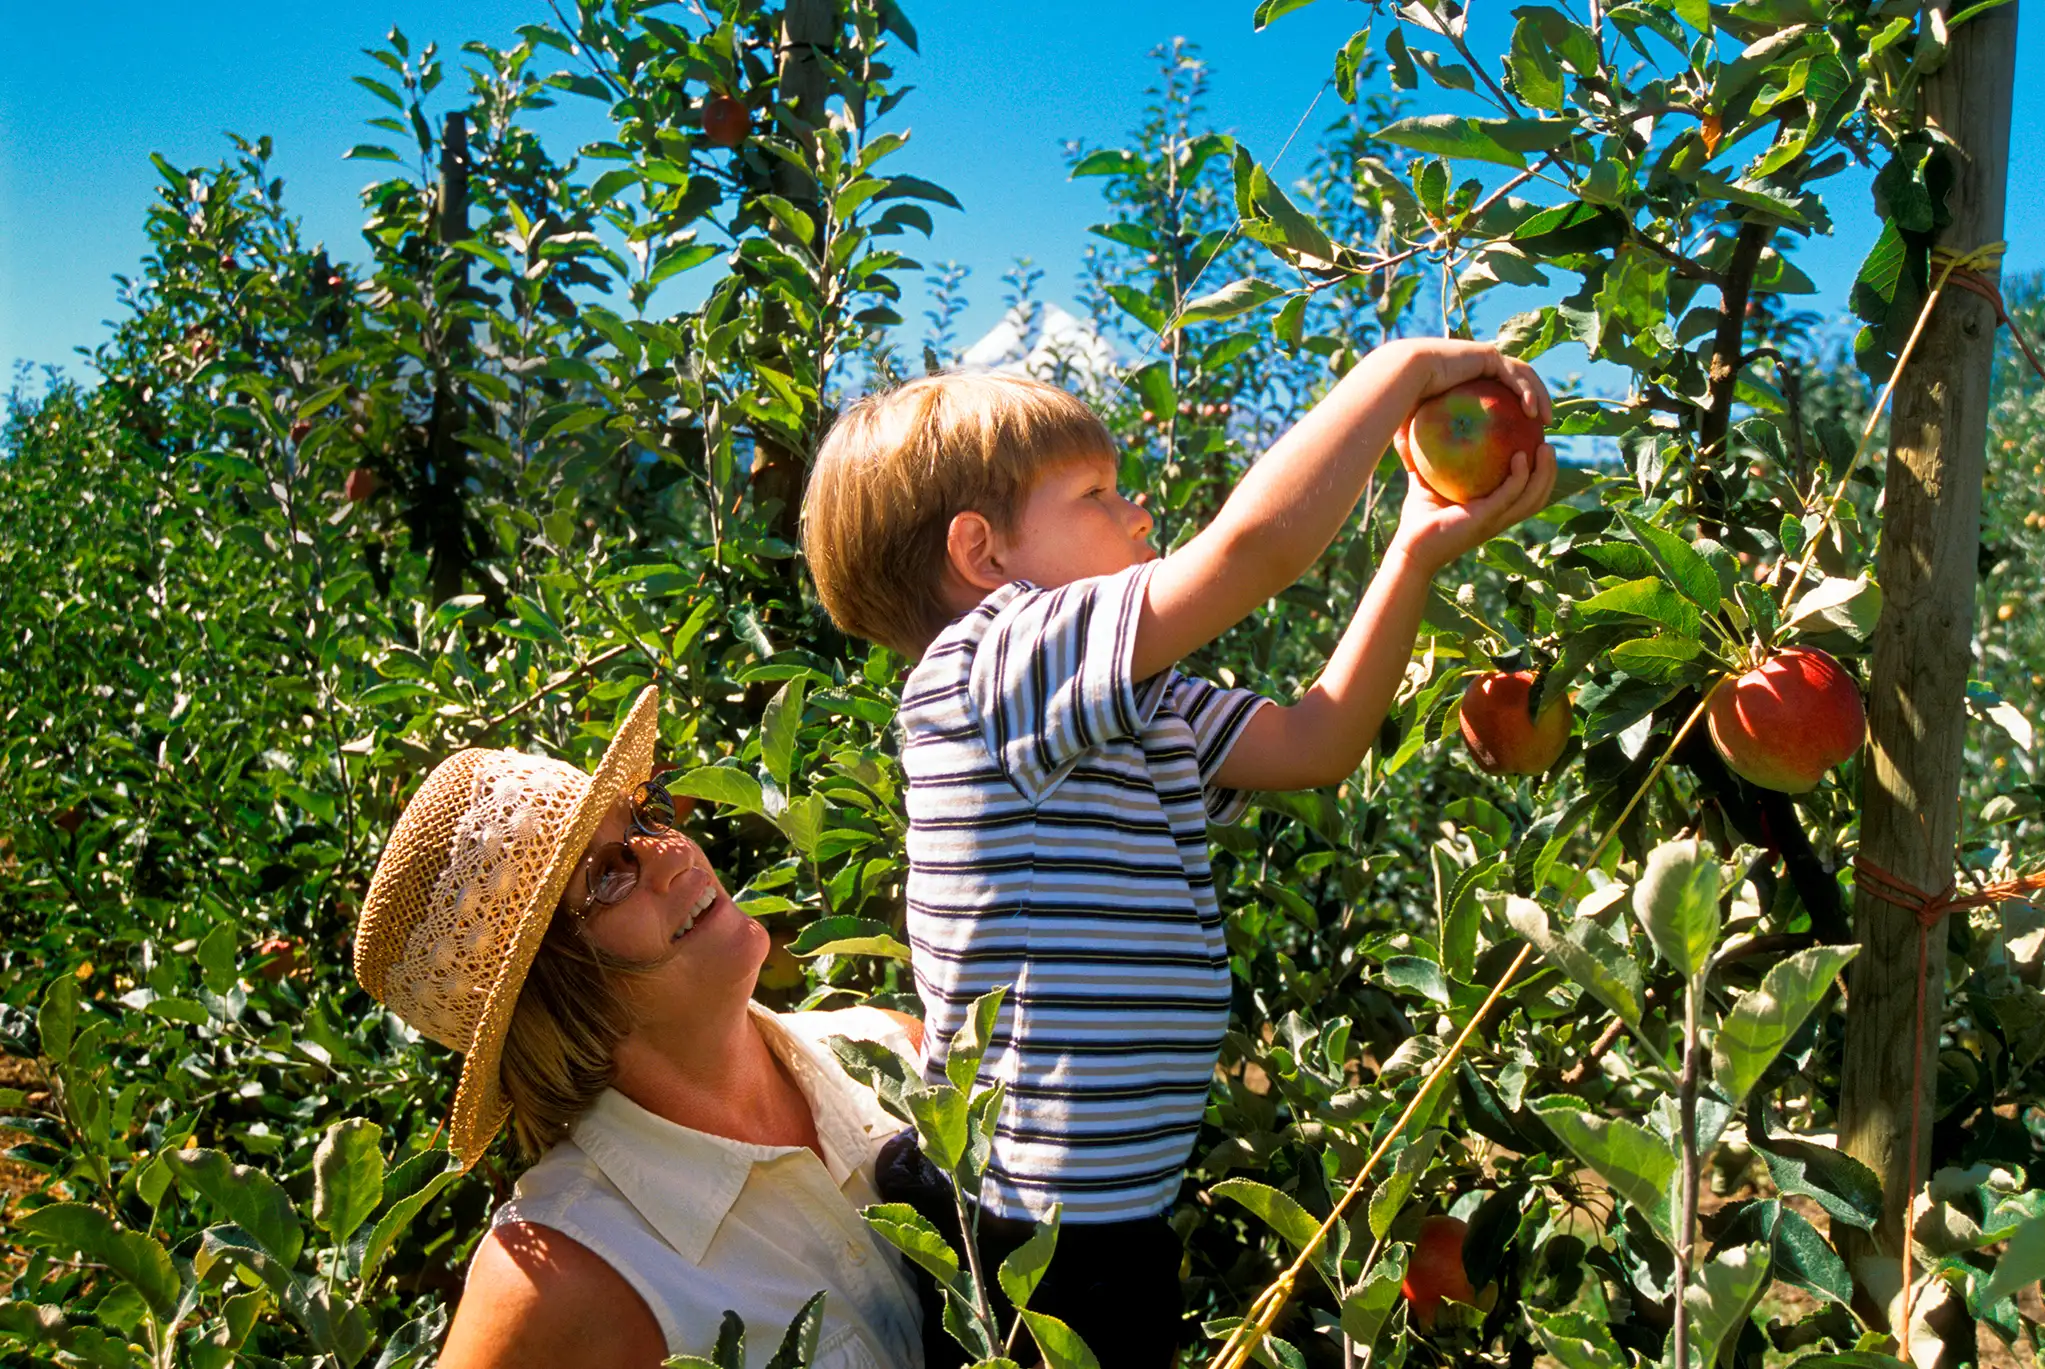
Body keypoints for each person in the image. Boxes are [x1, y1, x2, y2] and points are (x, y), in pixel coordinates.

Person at [799, 347, 1557, 1362]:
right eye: (1097, 494)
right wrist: (1401, 369)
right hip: (1033, 1230)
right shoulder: (993, 661)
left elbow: (1316, 742)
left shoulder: (1126, 707)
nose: (1140, 511)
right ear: (984, 556)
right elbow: (1251, 550)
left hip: (1110, 1206)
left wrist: (1414, 551)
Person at [355, 685, 926, 1369]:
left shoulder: (889, 1054)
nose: (668, 850)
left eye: (643, 817)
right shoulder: (567, 1273)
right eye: (608, 874)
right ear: (558, 993)